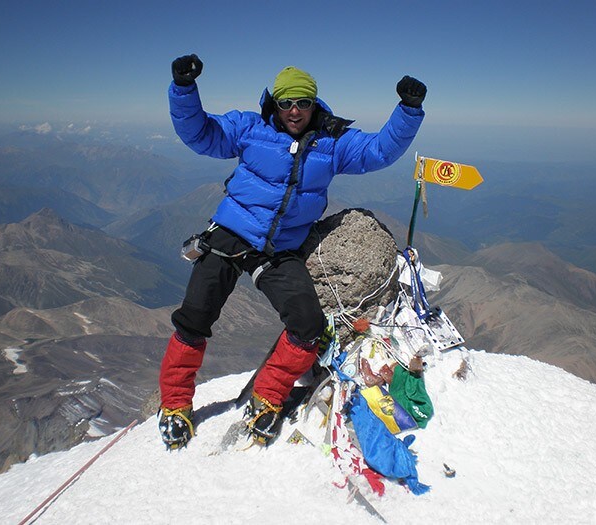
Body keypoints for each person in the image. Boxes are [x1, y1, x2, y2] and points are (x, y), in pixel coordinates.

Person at [158, 53, 426, 449]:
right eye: (286, 102)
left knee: (307, 325)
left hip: (280, 249)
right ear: (274, 103)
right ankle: (175, 404)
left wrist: (408, 111)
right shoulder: (249, 127)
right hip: (231, 235)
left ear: (314, 103)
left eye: (302, 102)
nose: (295, 111)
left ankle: (268, 398)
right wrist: (184, 89)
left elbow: (378, 152)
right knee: (195, 316)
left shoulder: (332, 142)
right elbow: (201, 134)